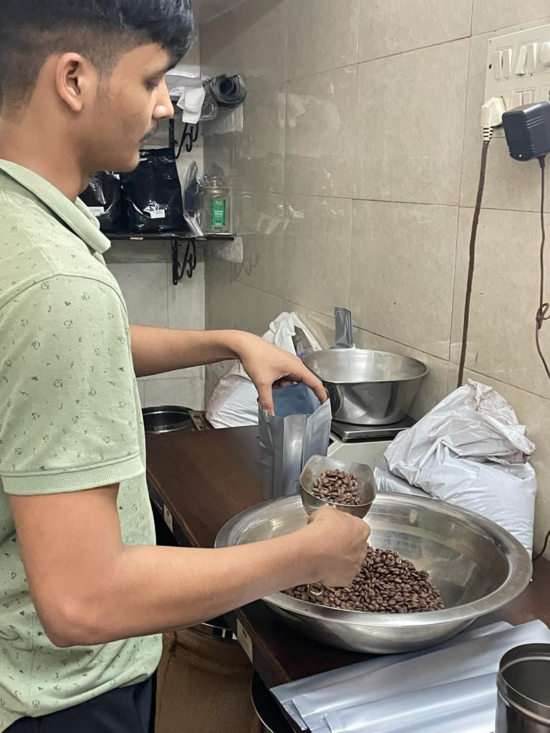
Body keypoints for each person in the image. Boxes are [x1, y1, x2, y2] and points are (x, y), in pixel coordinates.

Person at [0, 2, 371, 730]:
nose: (165, 104)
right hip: (64, 696)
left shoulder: (20, 228)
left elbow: (57, 351)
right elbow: (84, 598)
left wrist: (228, 339)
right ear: (72, 80)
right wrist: (306, 554)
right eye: (153, 79)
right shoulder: (54, 281)